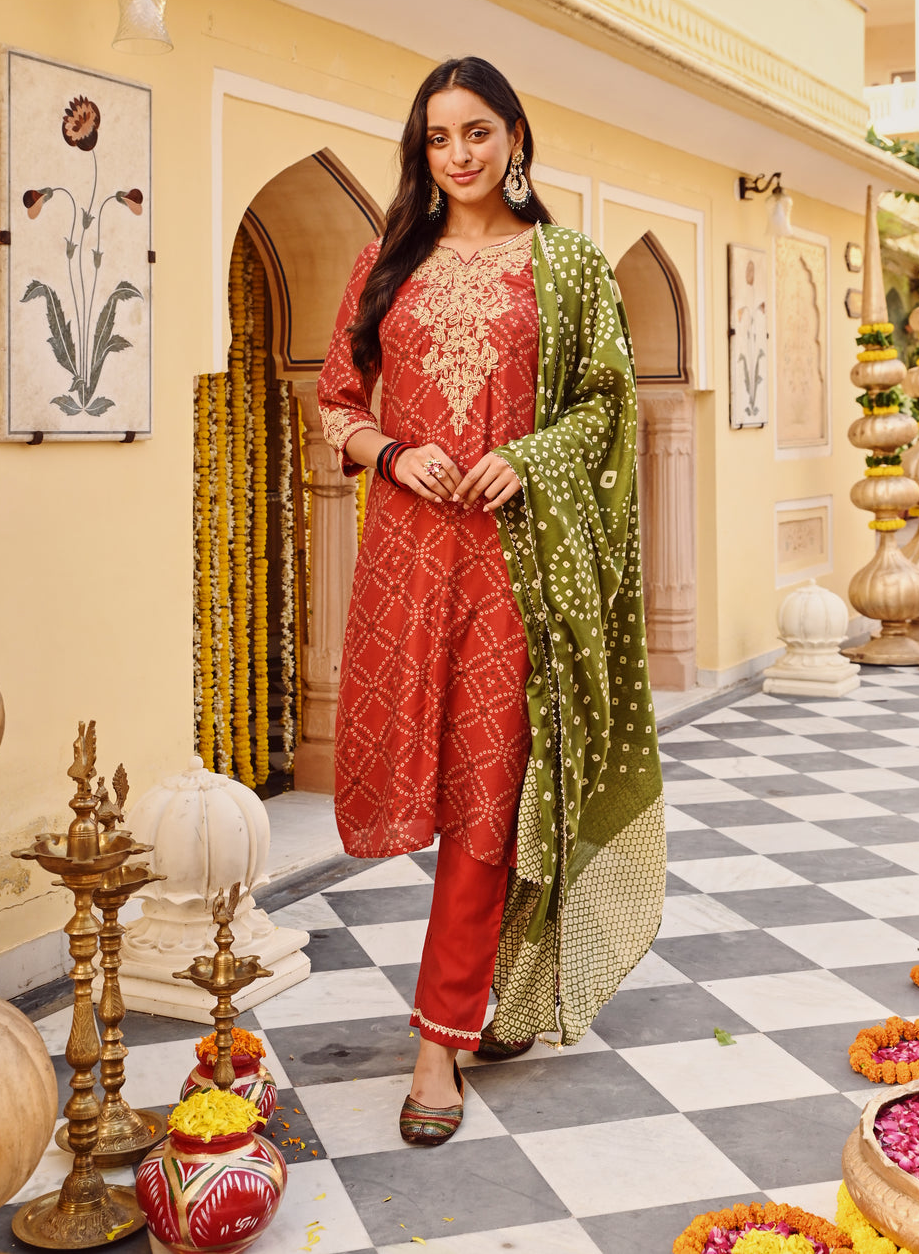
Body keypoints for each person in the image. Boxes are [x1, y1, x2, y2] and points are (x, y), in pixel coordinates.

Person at [318, 56, 665, 1146]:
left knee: (487, 781)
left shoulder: (567, 266)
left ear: (516, 135)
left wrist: (528, 456)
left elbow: (609, 414)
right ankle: (497, 989)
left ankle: (438, 1041)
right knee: (427, 778)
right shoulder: (387, 261)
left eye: (477, 132)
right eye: (437, 138)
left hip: (518, 564)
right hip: (410, 561)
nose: (458, 154)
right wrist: (388, 451)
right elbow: (336, 400)